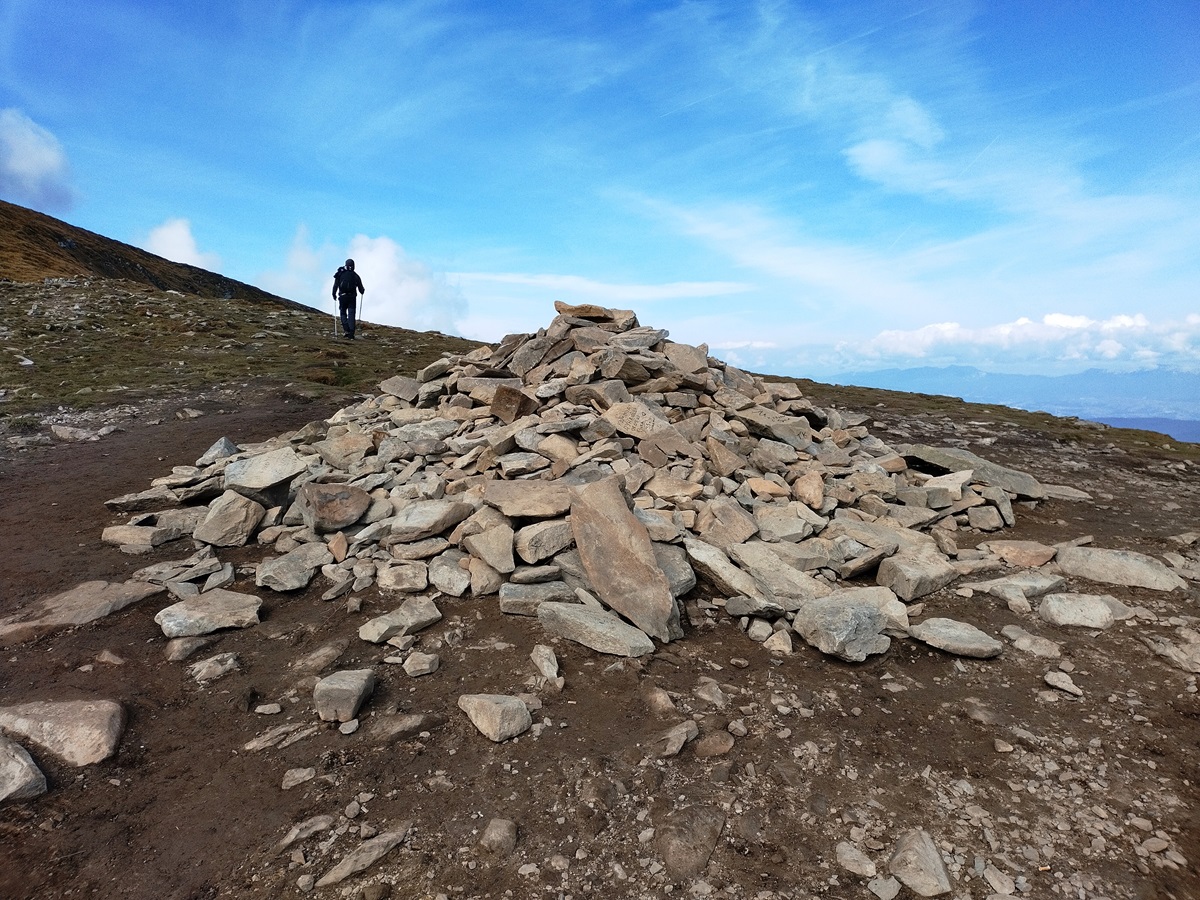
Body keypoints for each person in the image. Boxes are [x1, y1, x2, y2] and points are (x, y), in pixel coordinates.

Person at [332, 259, 365, 339]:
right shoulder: (355, 275)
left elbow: (335, 285)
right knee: (351, 314)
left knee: (343, 313)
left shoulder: (340, 273)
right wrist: (362, 291)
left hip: (342, 297)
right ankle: (351, 333)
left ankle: (346, 330)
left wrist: (334, 294)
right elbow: (361, 289)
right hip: (352, 297)